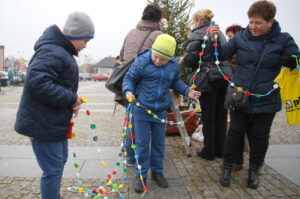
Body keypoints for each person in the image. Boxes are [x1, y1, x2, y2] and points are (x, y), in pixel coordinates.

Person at [210, 0, 300, 189]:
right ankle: (226, 167)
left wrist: (292, 61)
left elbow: (296, 57)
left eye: (258, 22)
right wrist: (214, 39)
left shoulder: (283, 39)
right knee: (234, 133)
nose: (253, 26)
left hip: (267, 97)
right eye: (251, 21)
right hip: (240, 95)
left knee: (260, 137)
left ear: (270, 22)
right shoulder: (241, 37)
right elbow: (221, 55)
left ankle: (254, 170)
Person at [14, 11, 95, 199]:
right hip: (42, 123)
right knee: (52, 169)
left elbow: (56, 84)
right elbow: (38, 83)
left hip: (53, 121)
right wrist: (71, 99)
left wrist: (72, 100)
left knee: (59, 162)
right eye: (85, 40)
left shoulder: (61, 51)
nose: (85, 45)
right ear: (74, 35)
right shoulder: (52, 51)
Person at [123, 34, 201, 192]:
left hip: (160, 112)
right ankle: (140, 175)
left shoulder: (172, 66)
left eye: (163, 59)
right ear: (152, 51)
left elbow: (175, 82)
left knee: (159, 144)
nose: (158, 61)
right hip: (142, 110)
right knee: (142, 144)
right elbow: (129, 78)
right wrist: (128, 91)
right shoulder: (142, 62)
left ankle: (157, 173)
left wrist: (187, 91)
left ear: (170, 58)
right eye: (156, 57)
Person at [119, 3, 163, 167]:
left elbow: (122, 55)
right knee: (139, 121)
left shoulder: (131, 32)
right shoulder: (158, 35)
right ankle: (134, 156)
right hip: (145, 85)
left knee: (130, 118)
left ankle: (128, 155)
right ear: (158, 19)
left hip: (126, 81)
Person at [182, 9, 229, 161]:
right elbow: (225, 53)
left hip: (207, 78)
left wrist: (182, 60)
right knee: (221, 115)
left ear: (198, 21)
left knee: (208, 116)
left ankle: (208, 151)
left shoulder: (197, 33)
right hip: (223, 77)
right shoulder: (219, 33)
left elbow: (190, 59)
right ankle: (220, 149)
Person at [225, 24, 250, 172]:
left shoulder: (241, 52)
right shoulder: (231, 52)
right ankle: (237, 160)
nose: (229, 41)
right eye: (227, 37)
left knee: (242, 130)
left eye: (230, 37)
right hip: (236, 93)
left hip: (243, 93)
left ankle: (243, 160)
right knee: (237, 129)